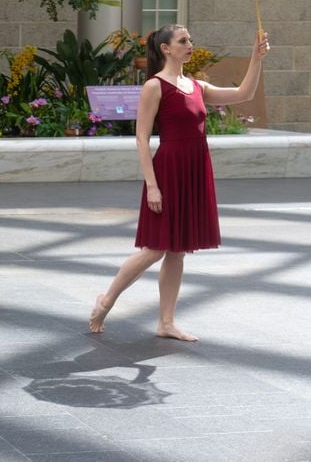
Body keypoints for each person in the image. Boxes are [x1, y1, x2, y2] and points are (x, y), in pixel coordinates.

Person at [89, 25, 270, 341]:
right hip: (168, 171)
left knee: (177, 251)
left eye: (190, 40)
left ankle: (166, 322)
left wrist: (257, 57)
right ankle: (106, 300)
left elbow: (245, 94)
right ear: (166, 49)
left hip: (195, 170)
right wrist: (153, 185)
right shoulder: (155, 87)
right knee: (154, 249)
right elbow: (142, 138)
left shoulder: (197, 85)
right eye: (183, 41)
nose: (190, 45)